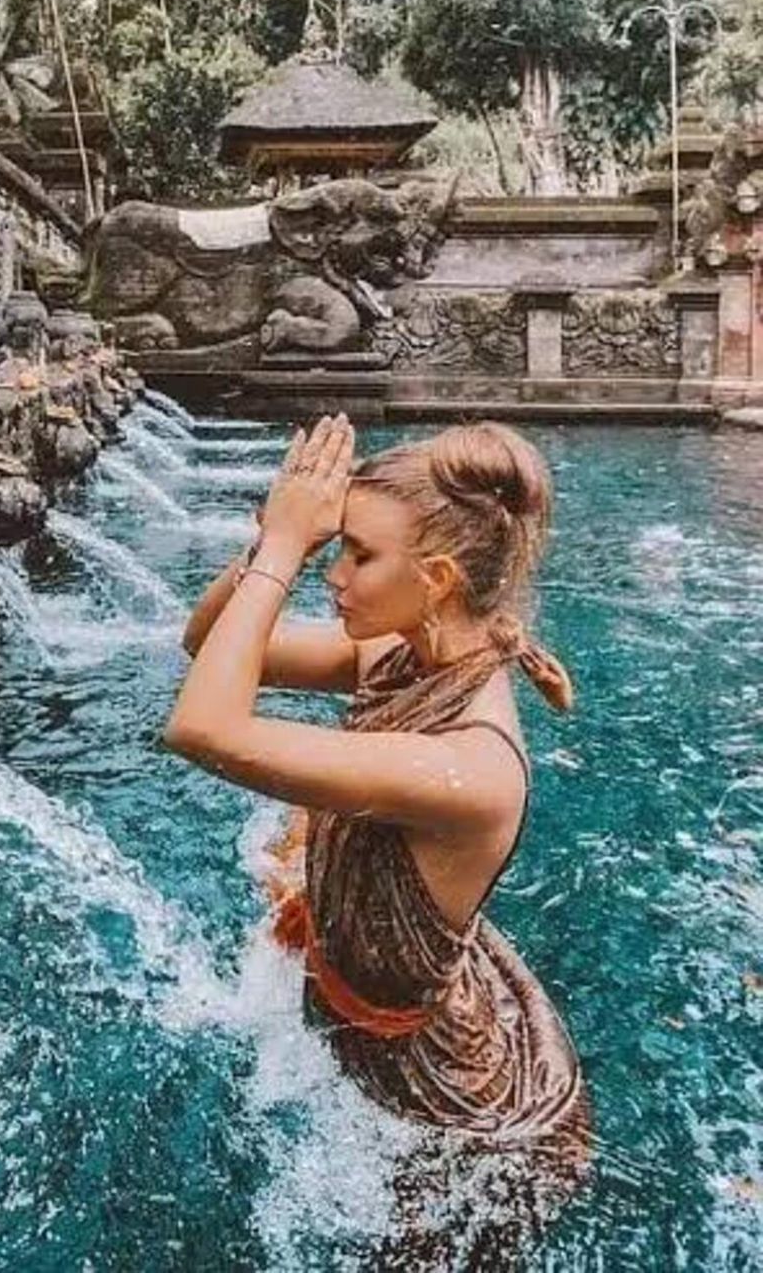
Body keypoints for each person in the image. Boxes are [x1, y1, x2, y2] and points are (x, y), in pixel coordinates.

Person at [167, 414, 591, 1268]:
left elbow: (202, 727)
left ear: (436, 580)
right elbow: (208, 646)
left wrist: (285, 550)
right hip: (374, 1013)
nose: (333, 572)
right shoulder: (398, 655)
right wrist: (272, 538)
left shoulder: (470, 766)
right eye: (334, 547)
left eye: (357, 555)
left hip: (462, 1123)